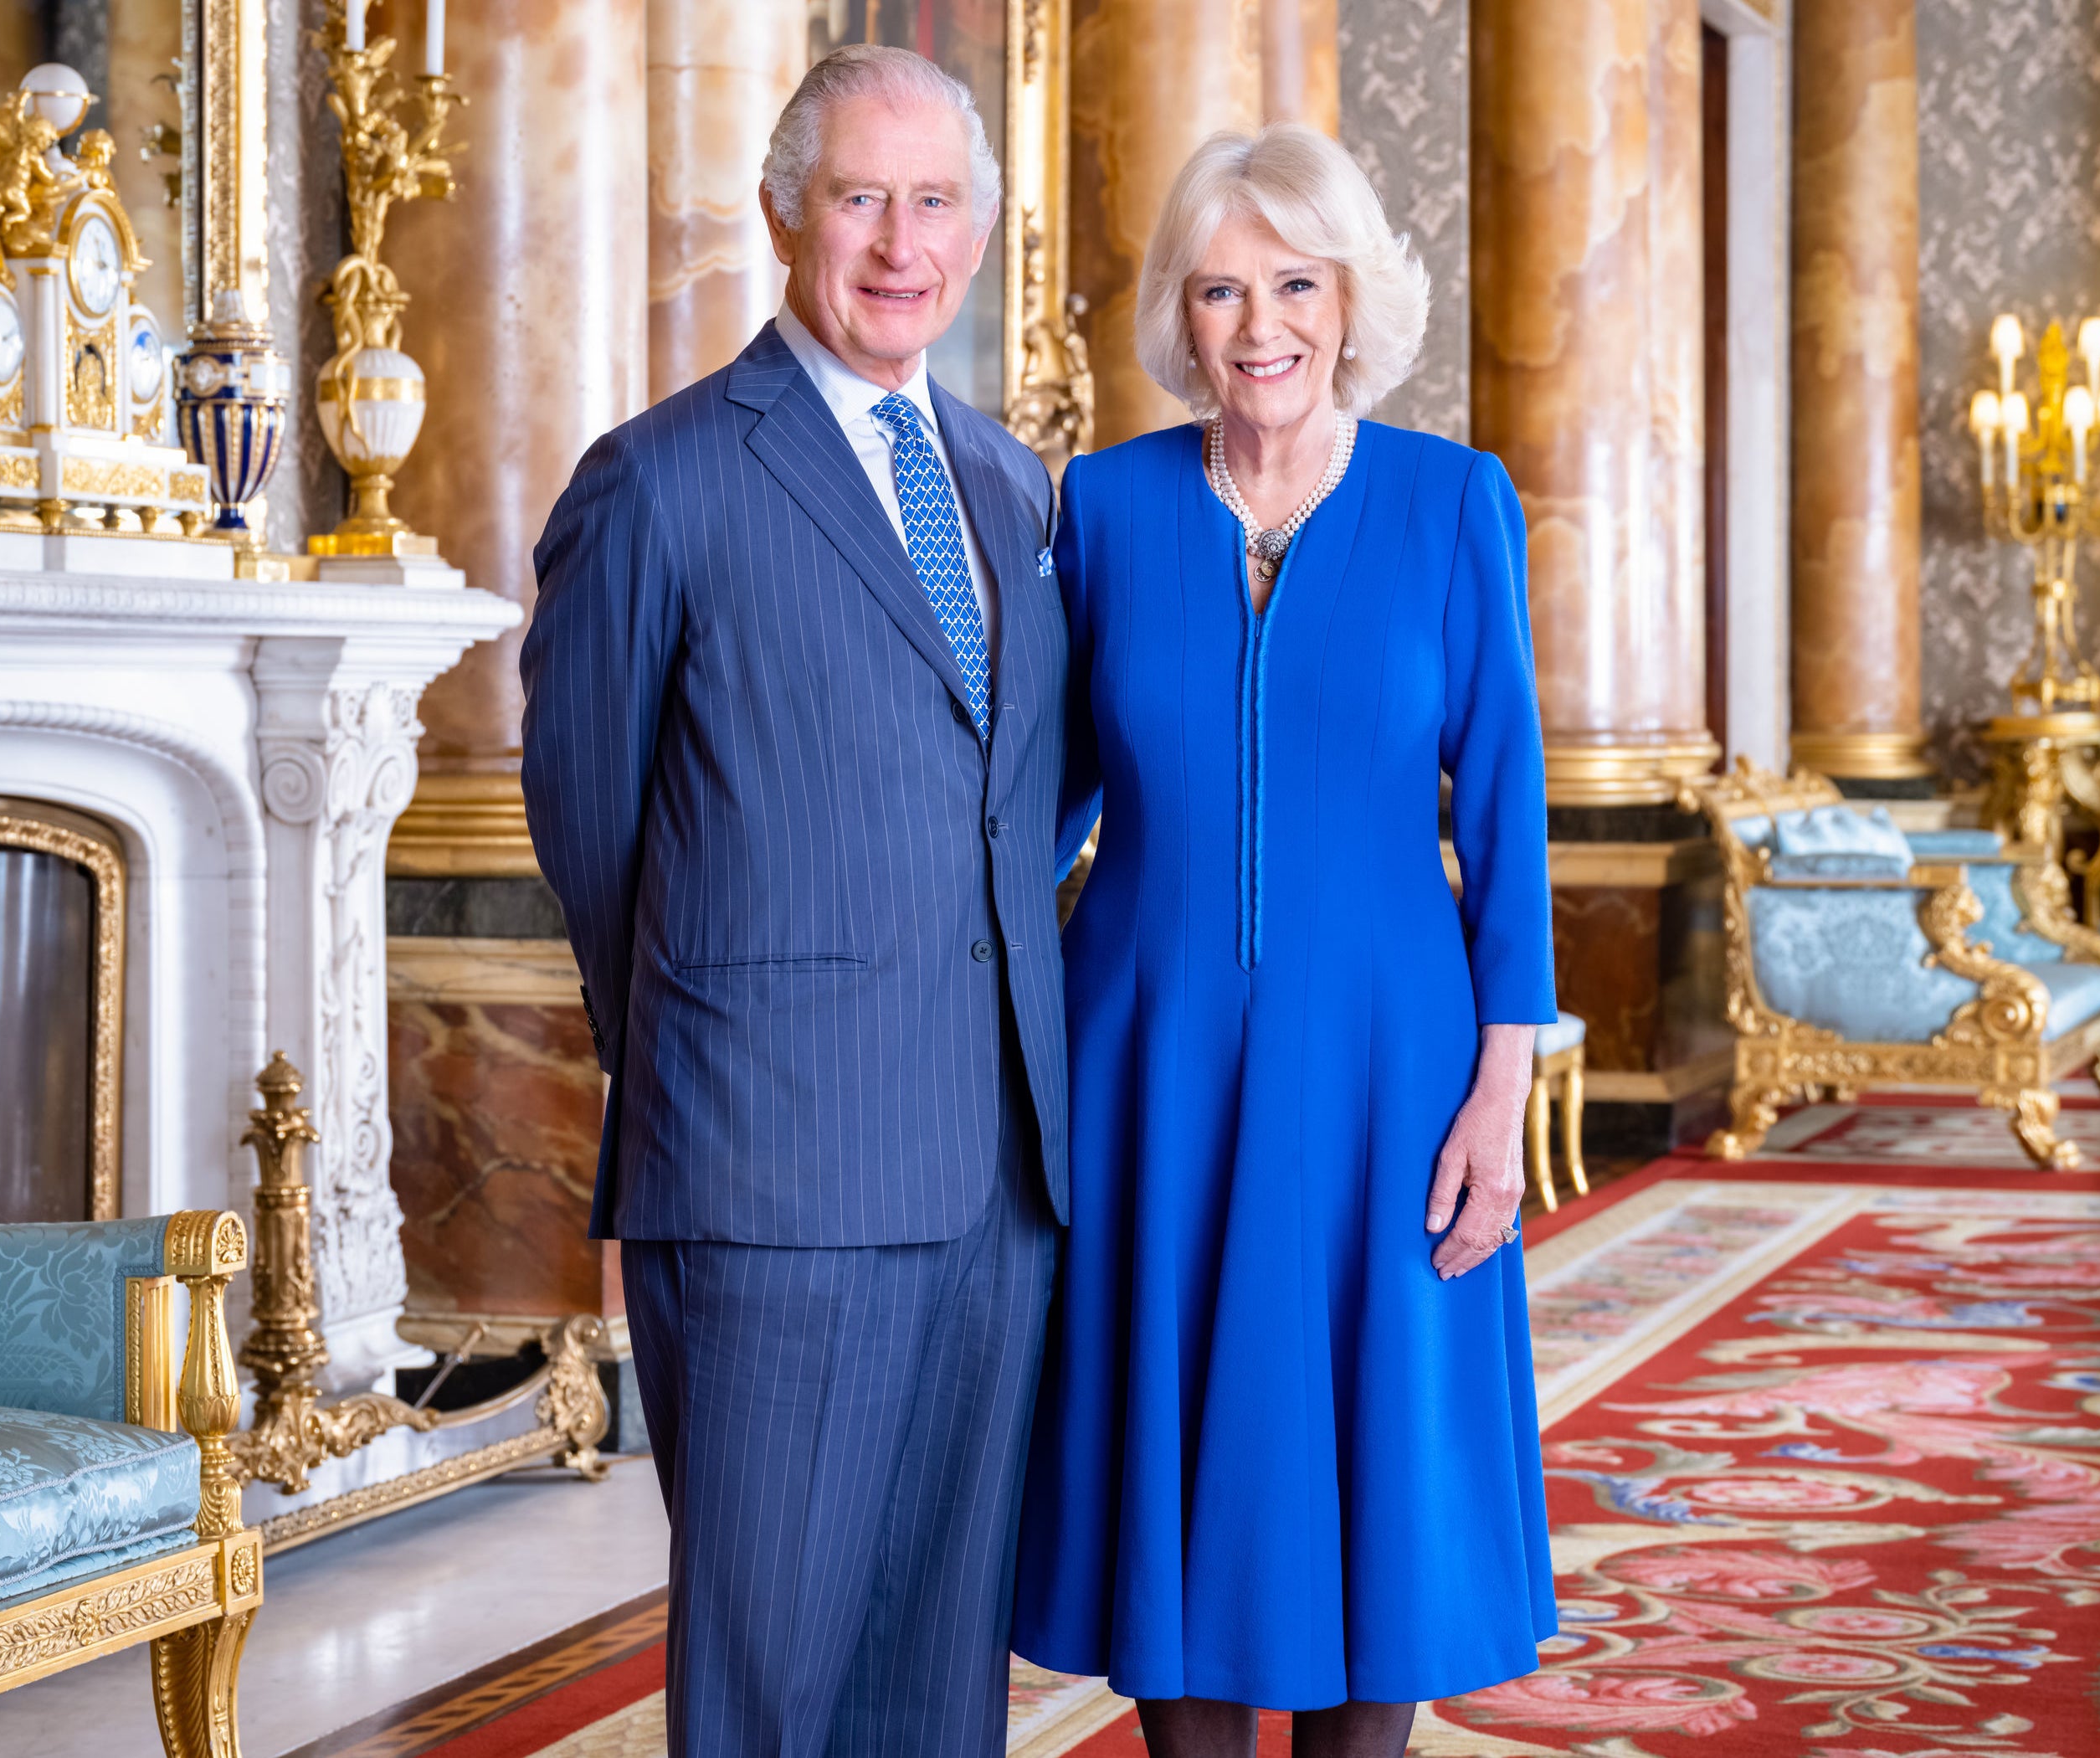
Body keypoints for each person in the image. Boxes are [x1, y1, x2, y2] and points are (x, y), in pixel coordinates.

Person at [520, 44, 1068, 1758]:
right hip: (771, 1164)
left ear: (974, 231)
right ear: (780, 214)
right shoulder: (660, 479)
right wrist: (710, 1058)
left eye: (932, 202)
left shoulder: (1005, 481)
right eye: (858, 197)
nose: (898, 242)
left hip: (999, 1167)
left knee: (935, 1660)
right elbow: (590, 823)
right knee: (771, 1674)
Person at [1012, 124, 1558, 1758]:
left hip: (1394, 1064)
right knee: (1171, 1467)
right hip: (1146, 1059)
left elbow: (1509, 807)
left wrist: (1499, 1085)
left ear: (1349, 297)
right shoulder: (1097, 508)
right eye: (1220, 288)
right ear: (1178, 318)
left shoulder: (1450, 503)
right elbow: (1026, 808)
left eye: (1293, 284)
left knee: (1377, 1466)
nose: (1259, 326)